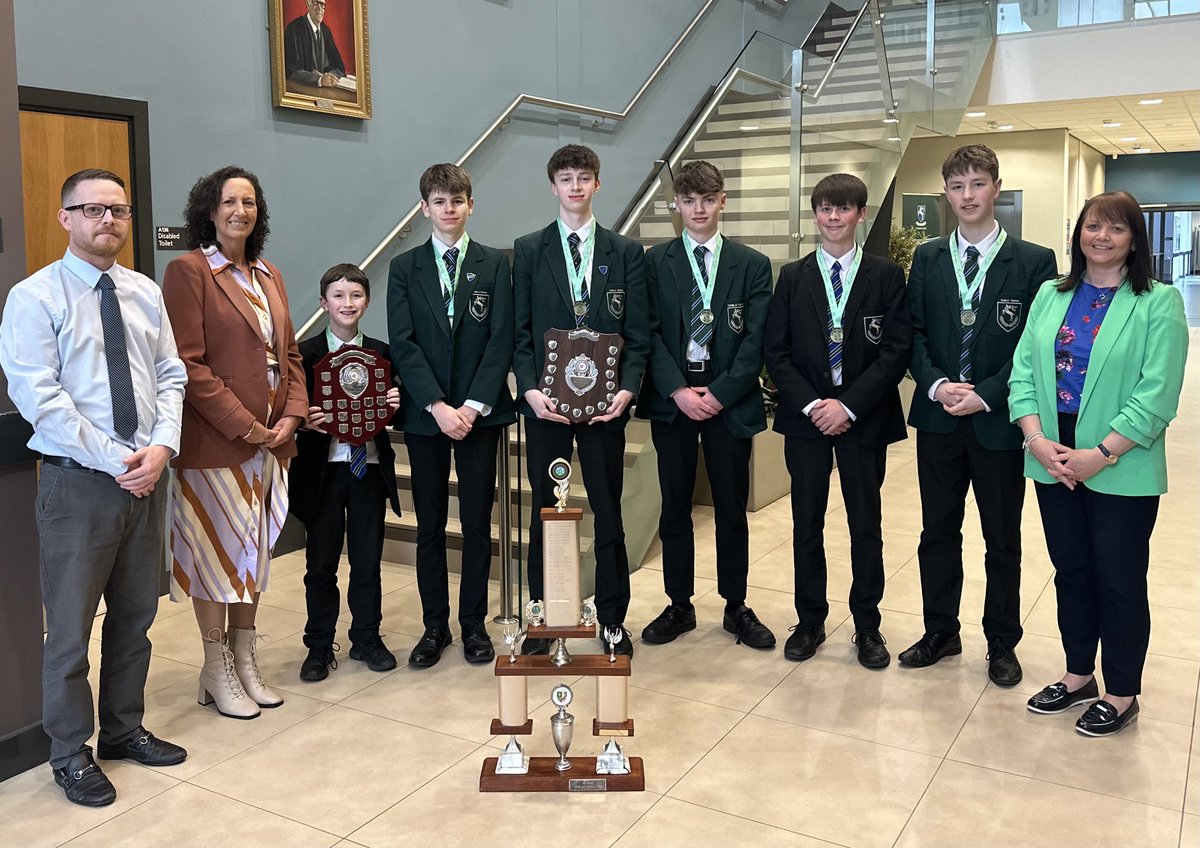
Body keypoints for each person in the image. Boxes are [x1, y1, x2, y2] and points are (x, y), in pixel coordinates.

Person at [0, 168, 188, 806]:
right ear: (66, 219)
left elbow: (170, 372)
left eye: (118, 211)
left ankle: (124, 729)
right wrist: (118, 458)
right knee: (73, 629)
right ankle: (69, 752)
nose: (107, 221)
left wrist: (161, 447)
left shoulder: (143, 292)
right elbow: (40, 399)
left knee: (136, 616)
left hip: (146, 478)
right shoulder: (34, 298)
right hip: (80, 486)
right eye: (92, 211)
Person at [1011, 191, 1188, 736]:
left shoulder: (1159, 302)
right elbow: (1023, 371)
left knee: (1119, 579)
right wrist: (1037, 440)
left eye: (1116, 228)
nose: (1102, 237)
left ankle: (1122, 690)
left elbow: (1157, 394)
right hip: (1053, 458)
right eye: (1092, 226)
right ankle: (1077, 674)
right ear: (1078, 234)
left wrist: (1102, 453)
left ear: (1134, 239)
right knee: (1072, 572)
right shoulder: (1049, 294)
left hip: (1120, 464)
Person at [902, 144, 1057, 686]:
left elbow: (1033, 348)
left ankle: (1001, 642)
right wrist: (940, 384)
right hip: (939, 419)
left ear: (996, 188)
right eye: (957, 186)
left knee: (1002, 539)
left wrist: (987, 394)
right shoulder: (926, 258)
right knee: (937, 532)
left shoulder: (1035, 262)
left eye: (977, 184)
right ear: (946, 194)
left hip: (997, 422)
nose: (967, 196)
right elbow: (912, 334)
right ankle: (940, 631)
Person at [162, 166, 308, 720]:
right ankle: (215, 666)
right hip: (216, 445)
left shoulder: (268, 274)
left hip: (272, 445)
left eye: (248, 202)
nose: (239, 211)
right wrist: (247, 426)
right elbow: (187, 364)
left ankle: (245, 660)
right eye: (228, 201)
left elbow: (290, 356)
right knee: (213, 557)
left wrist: (291, 418)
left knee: (252, 556)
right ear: (209, 210)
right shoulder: (189, 270)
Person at [765, 173, 912, 667]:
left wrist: (846, 406)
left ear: (861, 214)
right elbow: (777, 353)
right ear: (815, 215)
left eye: (843, 209)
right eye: (825, 209)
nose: (833, 217)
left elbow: (895, 352)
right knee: (806, 524)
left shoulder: (886, 275)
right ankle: (810, 622)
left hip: (863, 419)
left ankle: (867, 626)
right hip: (805, 419)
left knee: (865, 525)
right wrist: (815, 406)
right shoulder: (793, 276)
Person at [512, 144, 648, 657]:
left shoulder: (625, 252)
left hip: (606, 407)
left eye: (583, 177)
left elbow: (638, 332)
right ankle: (544, 619)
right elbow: (520, 330)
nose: (574, 186)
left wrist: (629, 388)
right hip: (546, 406)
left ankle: (612, 619)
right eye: (565, 178)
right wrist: (528, 388)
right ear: (553, 186)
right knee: (546, 509)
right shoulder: (528, 249)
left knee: (608, 511)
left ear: (597, 184)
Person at [636, 160, 775, 650]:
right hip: (673, 402)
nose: (698, 209)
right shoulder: (653, 262)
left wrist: (718, 393)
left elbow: (756, 341)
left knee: (731, 508)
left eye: (707, 199)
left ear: (723, 201)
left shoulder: (752, 264)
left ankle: (736, 605)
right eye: (688, 200)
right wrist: (677, 389)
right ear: (676, 204)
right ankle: (679, 604)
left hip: (728, 403)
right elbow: (646, 333)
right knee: (674, 507)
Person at [387, 163, 515, 667]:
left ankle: (474, 625)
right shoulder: (405, 267)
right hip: (426, 418)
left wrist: (472, 405)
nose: (449, 209)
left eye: (457, 200)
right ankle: (435, 626)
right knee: (431, 527)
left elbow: (501, 338)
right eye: (439, 202)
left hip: (481, 416)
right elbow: (404, 343)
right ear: (424, 208)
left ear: (470, 204)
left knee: (479, 524)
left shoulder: (494, 264)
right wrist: (438, 406)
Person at [290, 263, 402, 681]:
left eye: (355, 295)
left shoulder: (382, 353)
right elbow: (288, 408)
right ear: (323, 303)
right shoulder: (305, 354)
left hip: (368, 469)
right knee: (320, 564)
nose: (347, 303)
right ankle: (318, 644)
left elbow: (399, 408)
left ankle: (366, 637)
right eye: (338, 295)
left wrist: (395, 402)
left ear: (366, 302)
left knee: (368, 560)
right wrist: (304, 419)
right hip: (323, 473)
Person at [284, 0, 346, 88]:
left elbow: (340, 67)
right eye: (315, 2)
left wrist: (328, 76)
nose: (320, 8)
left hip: (325, 92)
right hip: (303, 91)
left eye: (322, 4)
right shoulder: (294, 29)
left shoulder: (326, 31)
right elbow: (291, 71)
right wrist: (319, 79)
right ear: (308, 4)